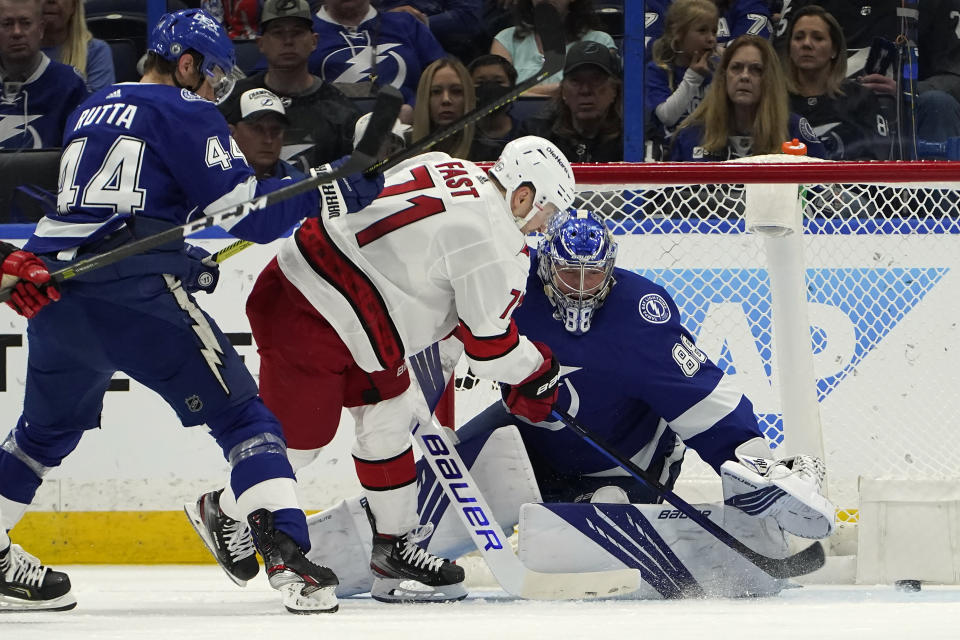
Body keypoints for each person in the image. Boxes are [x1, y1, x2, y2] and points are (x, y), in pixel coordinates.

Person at [0, 8, 384, 614]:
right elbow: (251, 216)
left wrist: (181, 262)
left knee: (43, 437)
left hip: (54, 291)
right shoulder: (187, 108)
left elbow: (119, 208)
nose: (214, 93)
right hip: (134, 298)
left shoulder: (90, 105)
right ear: (186, 64)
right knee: (244, 421)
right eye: (213, 78)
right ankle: (288, 554)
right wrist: (331, 187)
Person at [295, 210, 836, 599]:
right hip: (528, 447)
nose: (580, 288)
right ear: (546, 266)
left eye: (592, 274)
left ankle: (663, 516)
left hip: (631, 462)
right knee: (442, 481)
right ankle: (303, 548)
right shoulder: (512, 287)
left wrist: (747, 458)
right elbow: (442, 342)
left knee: (596, 511)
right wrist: (400, 401)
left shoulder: (638, 312)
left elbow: (701, 399)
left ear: (612, 271)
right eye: (568, 273)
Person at [187, 135, 577, 603]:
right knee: (298, 448)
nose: (541, 226)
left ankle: (394, 546)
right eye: (547, 211)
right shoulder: (498, 245)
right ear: (523, 194)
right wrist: (538, 370)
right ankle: (223, 509)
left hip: (362, 320)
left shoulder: (445, 163)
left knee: (390, 417)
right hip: (309, 311)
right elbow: (490, 348)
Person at [774, 0, 960, 146]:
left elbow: (954, 76)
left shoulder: (931, 4)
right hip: (817, 108)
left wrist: (907, 90)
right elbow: (775, 67)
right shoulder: (805, 3)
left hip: (898, 113)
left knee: (938, 103)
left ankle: (933, 191)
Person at [218, 0, 361, 173]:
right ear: (261, 44)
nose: (288, 41)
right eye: (278, 33)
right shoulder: (233, 100)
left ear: (314, 41)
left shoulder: (340, 110)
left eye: (297, 32)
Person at [669, 35, 825, 161]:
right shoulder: (691, 135)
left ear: (770, 79)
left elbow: (822, 192)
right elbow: (669, 197)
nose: (744, 76)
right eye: (736, 68)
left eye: (756, 70)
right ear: (724, 76)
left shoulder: (794, 131)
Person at [782, 5, 891, 160]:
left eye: (818, 38)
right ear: (789, 48)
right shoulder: (774, 100)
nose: (806, 44)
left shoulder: (861, 97)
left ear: (834, 50)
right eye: (799, 37)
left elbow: (878, 159)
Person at [309, 0, 447, 105]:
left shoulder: (405, 23)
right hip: (333, 132)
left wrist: (415, 109)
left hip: (412, 130)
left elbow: (443, 78)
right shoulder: (304, 33)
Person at [0, 0, 87, 149]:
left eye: (25, 23)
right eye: (7, 24)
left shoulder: (69, 85)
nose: (17, 32)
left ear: (41, 29)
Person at [523, 40, 623, 162]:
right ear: (563, 90)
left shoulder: (633, 137)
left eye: (596, 80)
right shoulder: (536, 135)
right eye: (576, 81)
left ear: (614, 90)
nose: (585, 90)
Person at [491, 0, 615, 97]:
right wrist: (563, 90)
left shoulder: (600, 41)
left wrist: (517, 92)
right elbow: (497, 93)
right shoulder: (506, 39)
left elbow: (597, 90)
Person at [646, 0, 719, 160]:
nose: (711, 39)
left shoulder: (718, 70)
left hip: (711, 154)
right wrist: (693, 77)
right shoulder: (658, 70)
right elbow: (667, 117)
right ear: (678, 34)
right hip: (670, 156)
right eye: (702, 31)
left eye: (714, 32)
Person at [39, 0, 115, 92]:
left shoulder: (95, 51)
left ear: (74, 6)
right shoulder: (20, 52)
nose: (51, 1)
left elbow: (98, 103)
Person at [227, 87, 302, 180]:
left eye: (275, 130)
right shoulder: (212, 180)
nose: (268, 140)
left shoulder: (298, 185)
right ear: (231, 132)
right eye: (257, 129)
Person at [376, 0, 486, 63]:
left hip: (438, 47)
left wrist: (414, 25)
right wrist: (389, 18)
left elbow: (469, 18)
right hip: (376, 38)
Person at [646, 0, 771, 54]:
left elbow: (750, 55)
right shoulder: (654, 4)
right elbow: (640, 56)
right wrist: (719, 50)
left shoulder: (748, 4)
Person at [411, 56, 475, 159]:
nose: (446, 100)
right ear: (425, 98)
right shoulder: (403, 148)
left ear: (468, 97)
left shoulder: (489, 152)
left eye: (456, 91)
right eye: (436, 92)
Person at [467, 53, 521, 160]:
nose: (489, 88)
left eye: (498, 82)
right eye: (480, 82)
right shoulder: (461, 137)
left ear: (513, 89)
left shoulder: (525, 134)